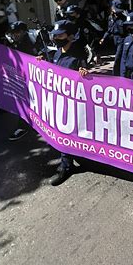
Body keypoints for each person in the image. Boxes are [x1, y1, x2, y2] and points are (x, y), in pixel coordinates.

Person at [45, 20, 89, 185]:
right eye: (55, 35)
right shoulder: (56, 52)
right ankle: (68, 158)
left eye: (60, 35)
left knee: (66, 131)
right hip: (59, 99)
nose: (56, 38)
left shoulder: (78, 54)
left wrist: (84, 72)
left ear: (70, 36)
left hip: (73, 102)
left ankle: (66, 166)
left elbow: (86, 72)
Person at [4, 21, 38, 141]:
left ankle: (23, 126)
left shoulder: (28, 43)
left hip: (30, 77)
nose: (14, 35)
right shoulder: (15, 42)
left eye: (17, 32)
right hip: (21, 77)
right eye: (13, 32)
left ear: (23, 32)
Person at [99, 0, 126, 76]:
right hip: (115, 39)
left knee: (118, 58)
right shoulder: (110, 18)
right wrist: (103, 38)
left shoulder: (124, 17)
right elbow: (109, 30)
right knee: (119, 58)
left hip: (122, 39)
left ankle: (117, 75)